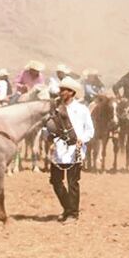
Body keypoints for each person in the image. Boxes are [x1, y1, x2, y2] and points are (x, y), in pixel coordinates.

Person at [47, 77, 95, 223]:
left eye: (64, 90)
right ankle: (68, 208)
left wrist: (83, 139)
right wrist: (49, 139)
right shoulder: (55, 109)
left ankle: (73, 214)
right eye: (60, 90)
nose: (61, 93)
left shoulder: (82, 109)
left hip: (76, 148)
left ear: (71, 92)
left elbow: (90, 130)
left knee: (73, 182)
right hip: (58, 148)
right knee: (55, 181)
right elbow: (49, 127)